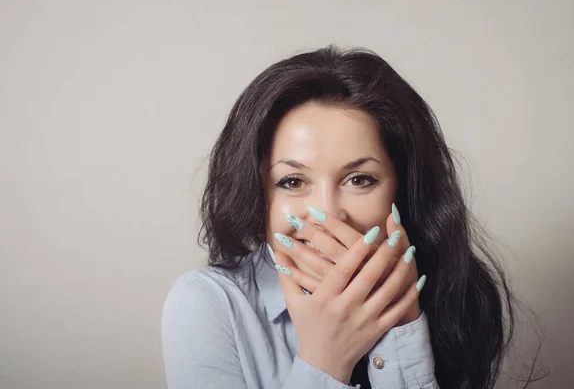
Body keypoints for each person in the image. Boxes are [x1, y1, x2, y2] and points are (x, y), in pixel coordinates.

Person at [161, 46, 517, 388]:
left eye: (359, 180)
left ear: (402, 188)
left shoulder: (450, 294)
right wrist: (325, 360)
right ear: (259, 192)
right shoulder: (208, 304)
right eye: (292, 181)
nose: (326, 213)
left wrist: (401, 326)